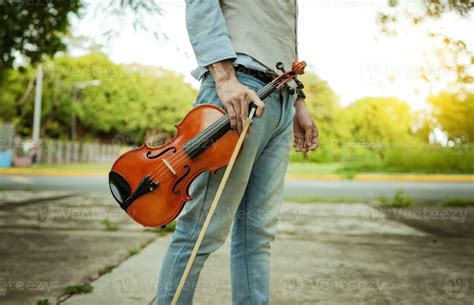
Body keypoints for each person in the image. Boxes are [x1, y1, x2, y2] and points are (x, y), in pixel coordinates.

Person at [156, 1, 319, 304]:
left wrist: (298, 102)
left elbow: (282, 31)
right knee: (203, 228)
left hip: (281, 96)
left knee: (257, 233)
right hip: (241, 89)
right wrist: (224, 77)